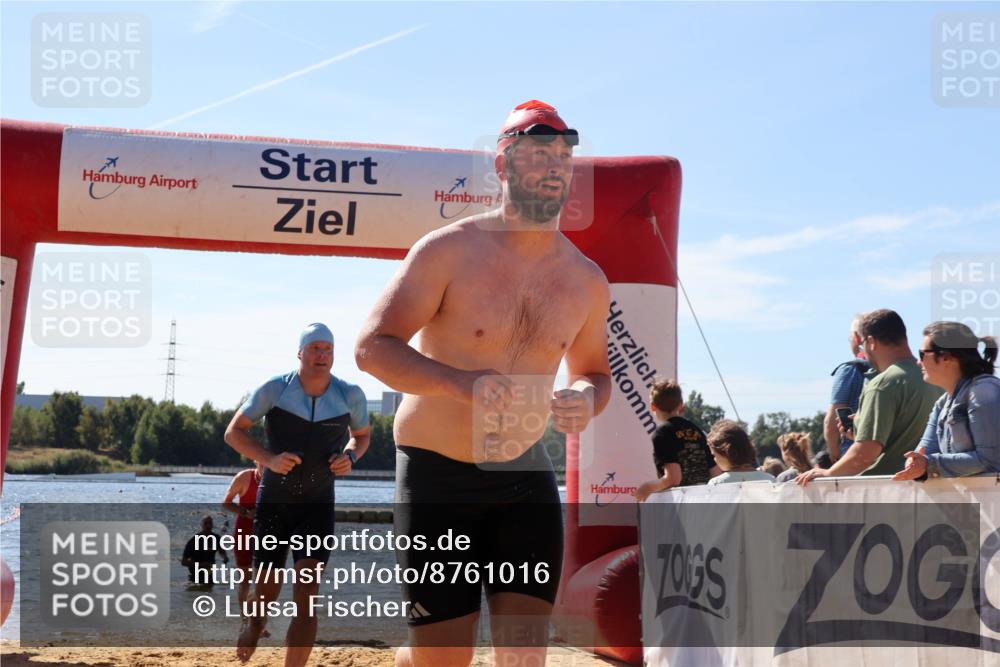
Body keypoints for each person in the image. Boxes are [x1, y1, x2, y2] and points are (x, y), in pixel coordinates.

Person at [355, 100, 612, 667]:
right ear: (502, 166)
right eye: (539, 154)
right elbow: (372, 348)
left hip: (523, 476)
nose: (555, 167)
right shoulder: (448, 250)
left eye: (564, 156)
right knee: (444, 661)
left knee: (523, 658)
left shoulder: (586, 281)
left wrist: (586, 399)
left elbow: (596, 373)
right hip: (437, 473)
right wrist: (456, 382)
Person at [224, 323, 370, 666]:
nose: (322, 355)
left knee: (306, 594)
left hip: (317, 505)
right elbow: (234, 433)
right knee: (266, 592)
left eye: (328, 349)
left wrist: (350, 457)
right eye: (316, 348)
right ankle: (255, 624)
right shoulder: (275, 388)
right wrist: (269, 459)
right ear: (301, 353)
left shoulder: (350, 395)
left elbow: (361, 436)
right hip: (276, 504)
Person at [797, 309, 942, 486]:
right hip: (933, 488)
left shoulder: (882, 385)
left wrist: (828, 473)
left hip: (888, 490)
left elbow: (864, 455)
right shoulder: (933, 378)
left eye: (863, 343)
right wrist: (863, 429)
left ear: (871, 342)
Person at [893, 322, 1000, 480]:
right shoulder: (942, 404)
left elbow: (991, 461)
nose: (918, 362)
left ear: (946, 357)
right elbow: (922, 455)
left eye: (922, 354)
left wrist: (929, 464)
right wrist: (915, 463)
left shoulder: (984, 391)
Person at [633, 380, 719, 502]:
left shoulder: (662, 433)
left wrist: (647, 488)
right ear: (681, 405)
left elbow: (673, 479)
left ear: (653, 406)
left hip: (681, 505)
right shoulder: (697, 431)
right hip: (705, 501)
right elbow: (715, 472)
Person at [824, 315, 871, 461]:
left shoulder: (850, 369)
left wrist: (835, 455)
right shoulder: (891, 369)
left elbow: (831, 421)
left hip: (854, 455)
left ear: (856, 338)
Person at [222, 460, 263, 613]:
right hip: (244, 531)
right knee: (245, 580)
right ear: (255, 460)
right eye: (262, 461)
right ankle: (245, 620)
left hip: (267, 534)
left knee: (264, 581)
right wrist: (246, 512)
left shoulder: (277, 479)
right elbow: (226, 503)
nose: (266, 466)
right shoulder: (245, 477)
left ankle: (258, 621)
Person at [705, 421, 775, 485]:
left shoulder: (716, 483)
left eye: (714, 455)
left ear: (726, 453)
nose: (714, 459)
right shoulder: (770, 480)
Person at [181, 515, 228, 584]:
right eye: (206, 523)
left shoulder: (217, 538)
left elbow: (221, 551)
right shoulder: (194, 541)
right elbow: (184, 562)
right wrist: (201, 565)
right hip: (195, 577)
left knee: (210, 593)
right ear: (202, 525)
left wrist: (225, 558)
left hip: (210, 575)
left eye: (210, 523)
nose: (208, 525)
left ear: (212, 525)